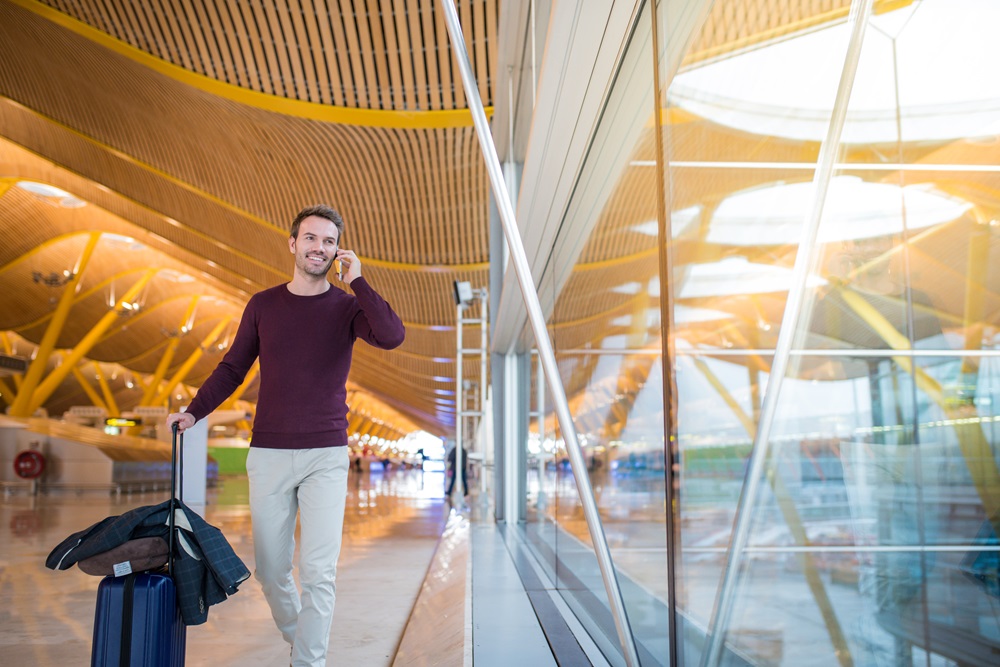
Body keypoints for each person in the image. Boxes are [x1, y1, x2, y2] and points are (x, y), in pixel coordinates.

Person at [166, 204, 404, 667]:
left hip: (327, 454)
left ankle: (307, 661)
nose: (320, 248)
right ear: (293, 244)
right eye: (311, 239)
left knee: (318, 572)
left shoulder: (348, 307)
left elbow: (391, 336)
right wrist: (195, 413)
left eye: (329, 242)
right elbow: (234, 367)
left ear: (338, 251)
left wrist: (358, 280)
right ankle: (301, 638)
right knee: (272, 572)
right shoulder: (263, 305)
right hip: (270, 452)